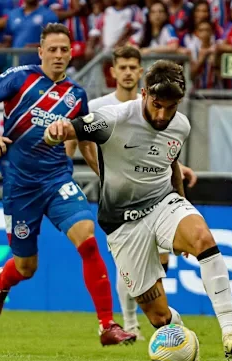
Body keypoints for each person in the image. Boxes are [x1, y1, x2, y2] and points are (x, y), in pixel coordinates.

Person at [44, 60, 232, 361]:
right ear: (143, 94)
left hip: (162, 203)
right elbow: (69, 130)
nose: (163, 115)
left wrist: (183, 211)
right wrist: (53, 131)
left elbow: (172, 166)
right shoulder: (113, 119)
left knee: (202, 236)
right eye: (157, 105)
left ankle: (230, 334)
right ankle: (188, 351)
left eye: (171, 107)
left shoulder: (181, 125)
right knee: (158, 316)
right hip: (122, 225)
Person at [0, 23, 137, 346]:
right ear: (40, 51)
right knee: (26, 267)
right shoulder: (19, 78)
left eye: (64, 50)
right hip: (20, 186)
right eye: (52, 49)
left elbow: (84, 141)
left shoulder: (76, 95)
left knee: (87, 237)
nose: (59, 55)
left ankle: (106, 325)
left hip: (57, 179)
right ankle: (2, 281)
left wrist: (106, 175)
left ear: (71, 53)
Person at [65, 46, 197, 341]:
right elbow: (84, 141)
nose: (126, 72)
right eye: (121, 67)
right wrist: (102, 173)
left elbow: (158, 149)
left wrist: (178, 170)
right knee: (130, 265)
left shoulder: (158, 108)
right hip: (121, 198)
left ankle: (153, 322)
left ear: (140, 73)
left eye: (132, 67)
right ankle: (130, 324)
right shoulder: (102, 107)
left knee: (158, 266)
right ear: (113, 72)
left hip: (156, 196)